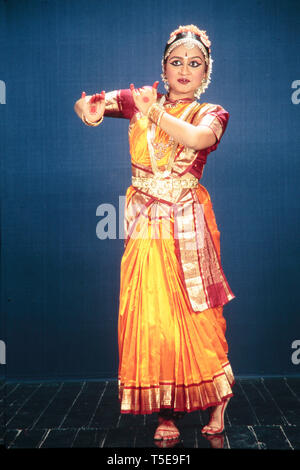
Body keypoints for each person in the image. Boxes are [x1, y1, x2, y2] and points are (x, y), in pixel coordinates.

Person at [74, 24, 236, 443]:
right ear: (164, 69)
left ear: (206, 74)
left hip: (186, 222)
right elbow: (91, 103)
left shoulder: (210, 113)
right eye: (176, 62)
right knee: (151, 316)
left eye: (194, 64)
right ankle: (167, 411)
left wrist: (154, 112)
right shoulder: (140, 99)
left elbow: (198, 139)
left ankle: (219, 397)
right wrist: (90, 111)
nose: (185, 69)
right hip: (146, 225)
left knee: (194, 311)